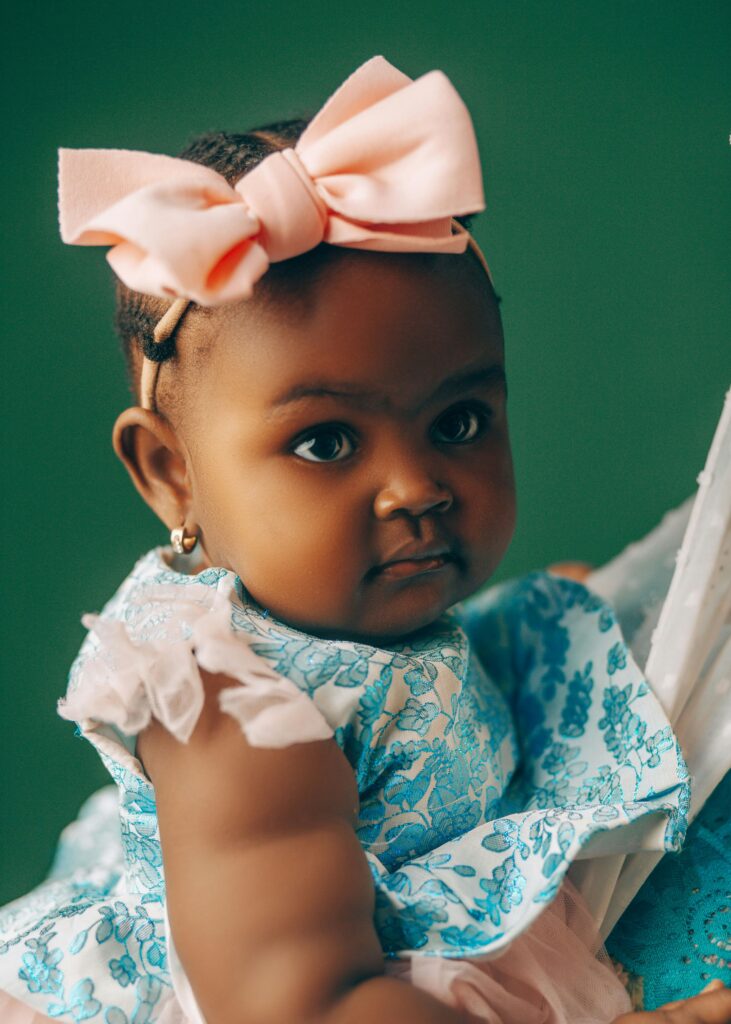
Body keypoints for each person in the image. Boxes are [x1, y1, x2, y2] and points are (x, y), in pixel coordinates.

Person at [0, 55, 728, 1024]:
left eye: (458, 422)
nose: (416, 486)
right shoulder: (231, 719)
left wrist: (539, 633)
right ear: (171, 471)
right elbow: (307, 1006)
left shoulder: (349, 613)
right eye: (325, 442)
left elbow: (404, 698)